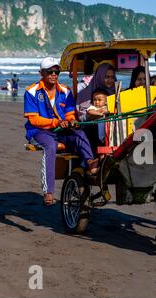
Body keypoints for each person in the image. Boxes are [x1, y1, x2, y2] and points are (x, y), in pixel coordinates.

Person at [24, 57, 99, 206]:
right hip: (39, 132)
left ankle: (90, 162)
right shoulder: (31, 92)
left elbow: (70, 113)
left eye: (56, 72)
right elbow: (34, 120)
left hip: (61, 130)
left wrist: (72, 121)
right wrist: (56, 122)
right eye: (50, 72)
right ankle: (49, 191)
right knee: (50, 146)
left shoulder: (65, 91)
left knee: (80, 134)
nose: (53, 75)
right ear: (41, 73)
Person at [76, 63, 116, 155]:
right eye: (107, 77)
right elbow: (82, 117)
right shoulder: (86, 93)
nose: (110, 80)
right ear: (100, 76)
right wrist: (99, 113)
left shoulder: (116, 92)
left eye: (112, 77)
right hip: (91, 129)